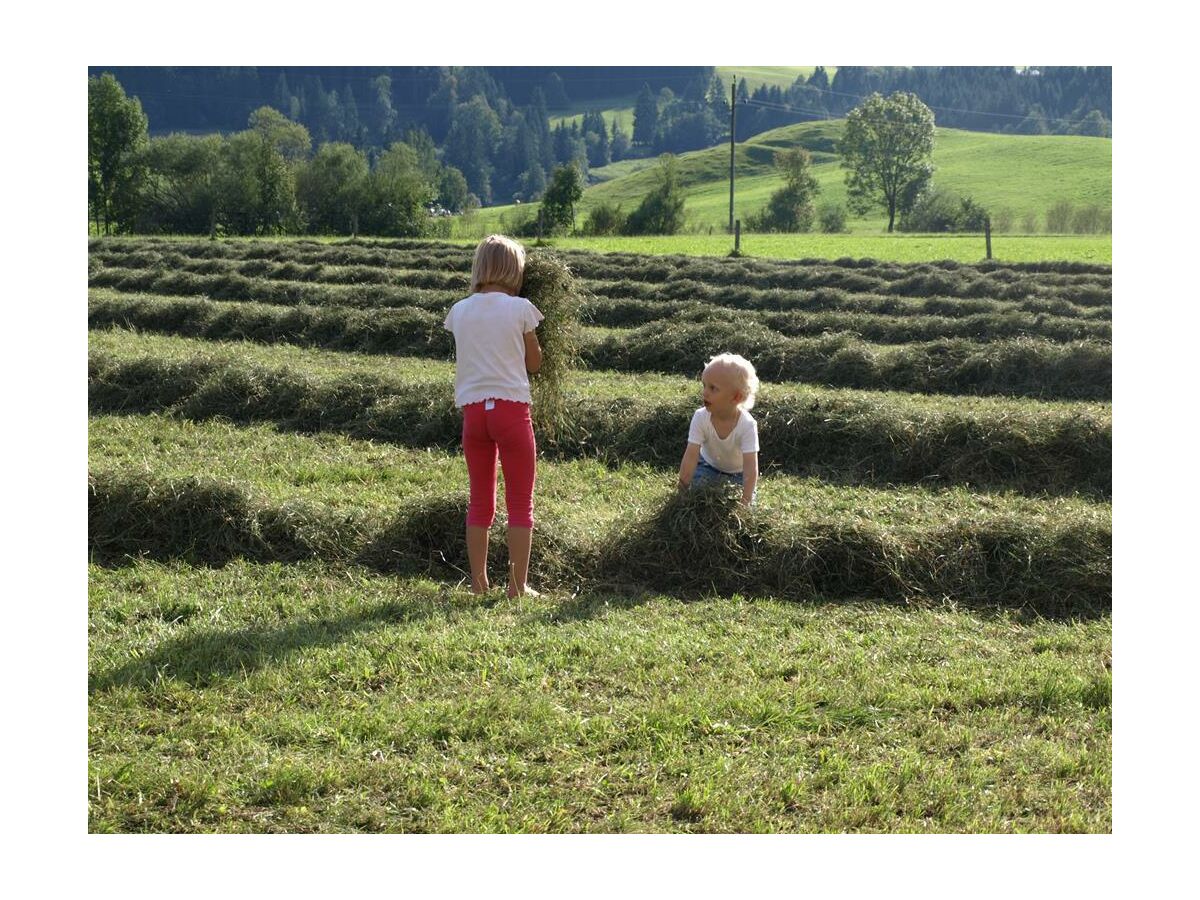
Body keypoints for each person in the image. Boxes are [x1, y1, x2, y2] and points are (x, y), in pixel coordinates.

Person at [443, 234, 543, 597]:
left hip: (474, 416)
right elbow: (534, 363)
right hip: (511, 413)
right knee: (520, 502)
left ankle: (479, 582)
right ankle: (518, 586)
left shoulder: (459, 311)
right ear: (515, 271)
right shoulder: (521, 309)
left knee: (480, 500)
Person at [676, 353, 760, 507]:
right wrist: (681, 493)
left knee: (743, 503)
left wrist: (746, 501)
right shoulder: (700, 417)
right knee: (698, 494)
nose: (705, 392)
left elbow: (750, 468)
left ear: (736, 397)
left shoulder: (747, 425)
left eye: (713, 388)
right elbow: (691, 456)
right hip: (708, 466)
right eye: (704, 385)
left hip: (738, 474)